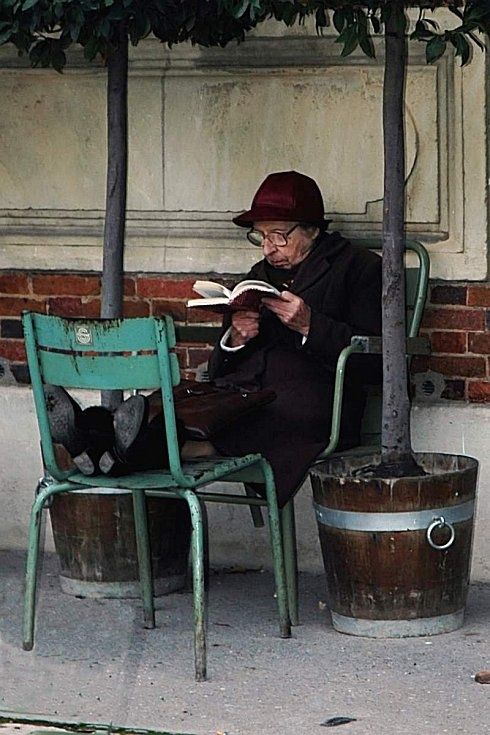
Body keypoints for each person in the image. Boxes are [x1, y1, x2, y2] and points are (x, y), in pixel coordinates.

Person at [45, 170, 381, 507]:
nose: (267, 248)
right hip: (239, 393)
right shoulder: (258, 276)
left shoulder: (357, 267)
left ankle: (91, 443)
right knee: (157, 410)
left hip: (310, 402)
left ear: (311, 228)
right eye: (260, 236)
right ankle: (93, 434)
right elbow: (219, 369)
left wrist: (311, 326)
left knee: (210, 429)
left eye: (279, 236)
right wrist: (235, 337)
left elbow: (376, 360)